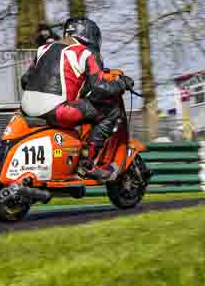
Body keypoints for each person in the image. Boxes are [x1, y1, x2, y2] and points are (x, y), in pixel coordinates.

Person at [20, 17, 134, 180]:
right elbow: (100, 89)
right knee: (110, 112)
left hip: (26, 109)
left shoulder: (43, 49)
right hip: (57, 111)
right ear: (89, 34)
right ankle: (87, 164)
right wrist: (122, 84)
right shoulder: (86, 53)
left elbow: (25, 81)